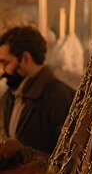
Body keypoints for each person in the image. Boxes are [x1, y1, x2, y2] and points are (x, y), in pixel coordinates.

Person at [0, 25, 75, 158]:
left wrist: (24, 152)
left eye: (5, 63)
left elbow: (70, 158)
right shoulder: (11, 96)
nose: (2, 71)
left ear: (25, 58)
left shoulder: (59, 97)